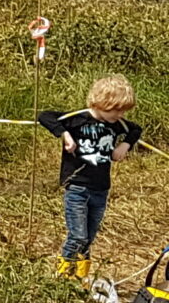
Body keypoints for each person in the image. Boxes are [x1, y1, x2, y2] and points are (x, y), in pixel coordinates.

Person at [38, 76, 141, 279]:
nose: (120, 115)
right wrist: (65, 135)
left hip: (101, 189)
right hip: (77, 187)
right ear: (102, 103)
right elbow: (45, 116)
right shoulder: (78, 118)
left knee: (88, 239)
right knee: (77, 236)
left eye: (123, 111)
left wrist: (125, 145)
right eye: (116, 110)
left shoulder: (117, 123)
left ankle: (80, 279)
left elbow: (136, 130)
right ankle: (63, 278)